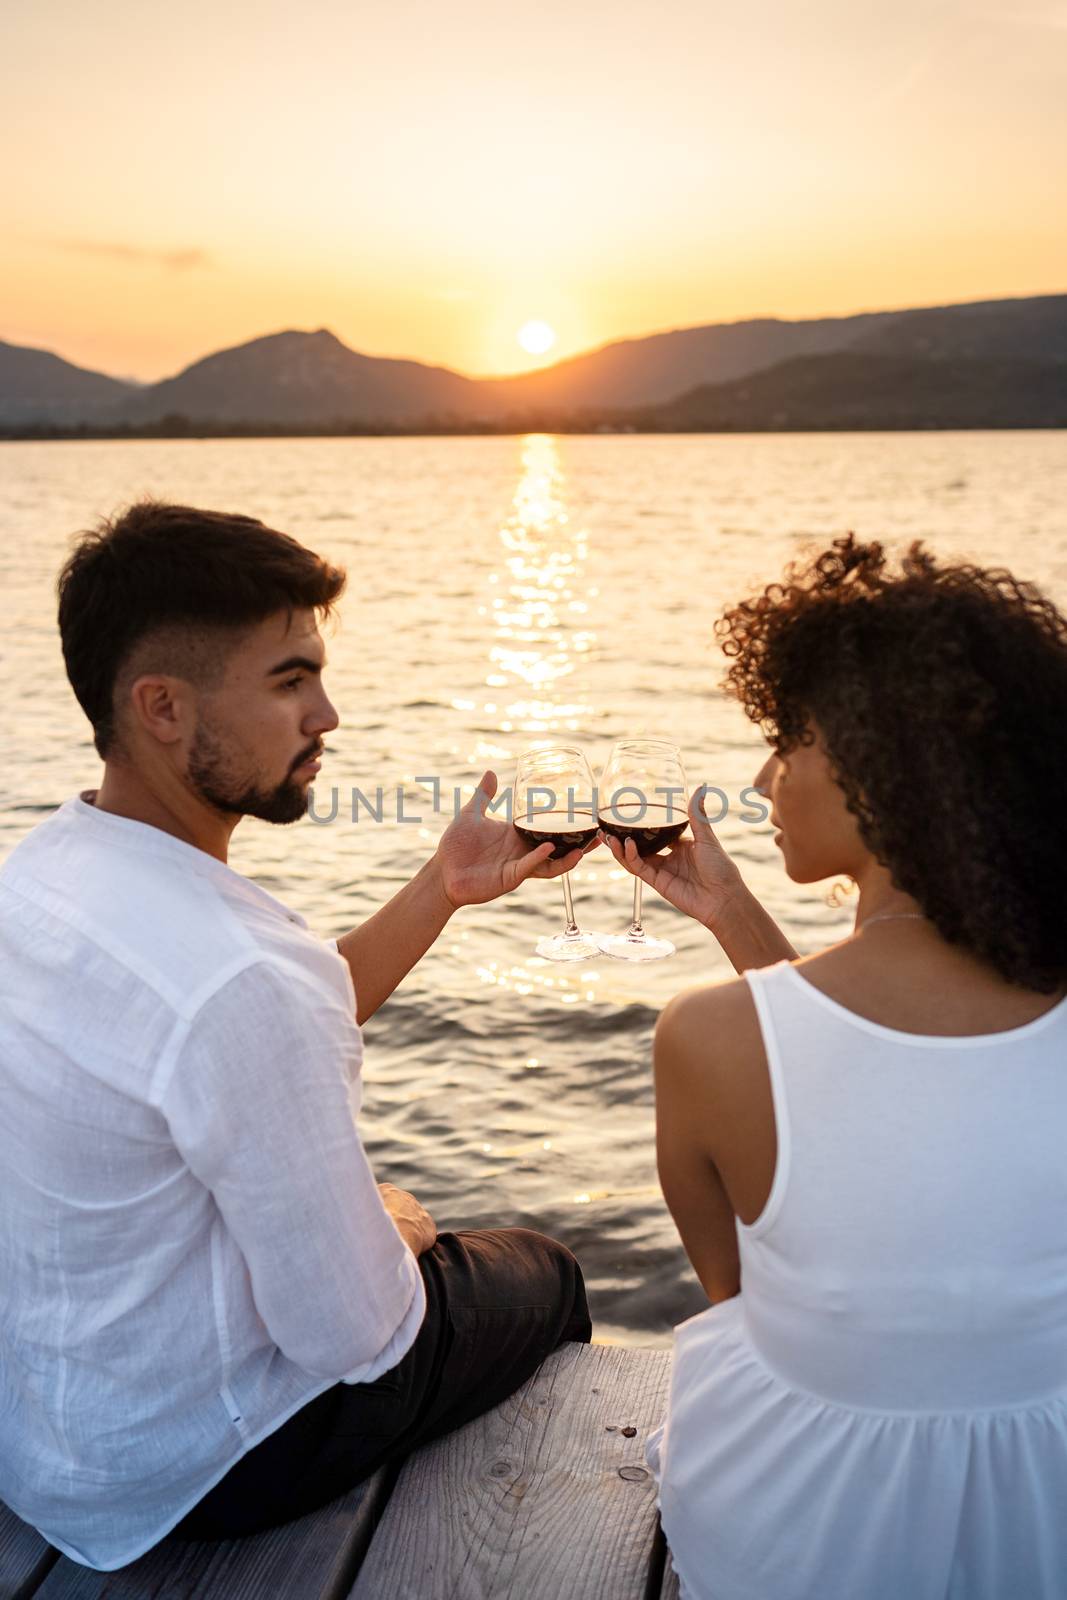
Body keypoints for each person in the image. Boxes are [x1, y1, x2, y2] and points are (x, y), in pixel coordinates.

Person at [0, 501, 591, 1573]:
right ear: (164, 708)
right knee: (542, 1272)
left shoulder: (42, 878)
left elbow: (254, 1032)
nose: (327, 714)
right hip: (200, 1466)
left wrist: (443, 888)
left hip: (49, 1436)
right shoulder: (234, 977)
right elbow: (360, 1338)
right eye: (289, 681)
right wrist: (395, 1222)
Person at [602, 534, 1067, 1600]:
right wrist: (731, 912)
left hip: (805, 1529)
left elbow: (754, 1296)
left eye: (788, 739)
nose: (763, 776)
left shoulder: (705, 1039)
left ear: (876, 764)